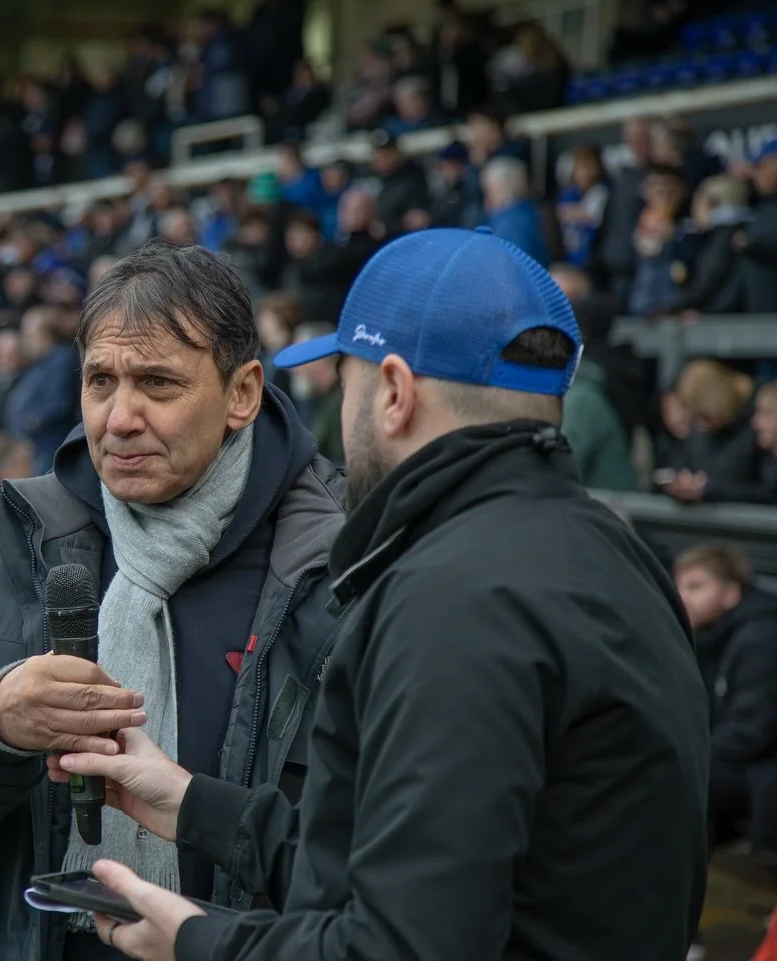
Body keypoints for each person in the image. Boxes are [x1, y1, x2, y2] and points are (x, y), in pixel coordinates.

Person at [53, 227, 710, 961]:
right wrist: (194, 805)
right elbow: (421, 865)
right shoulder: (621, 554)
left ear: (393, 392)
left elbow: (400, 945)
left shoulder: (453, 598)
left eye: (346, 381)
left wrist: (201, 941)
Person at [0, 240, 346, 961]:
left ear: (242, 393)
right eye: (100, 381)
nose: (119, 417)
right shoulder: (26, 540)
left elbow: (375, 862)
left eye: (157, 383)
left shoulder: (338, 564)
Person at [674, 544, 777, 858]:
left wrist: (692, 751)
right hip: (743, 764)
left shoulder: (761, 638)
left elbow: (752, 730)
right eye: (679, 586)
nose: (682, 597)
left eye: (695, 586)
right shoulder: (712, 635)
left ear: (731, 594)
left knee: (671, 774)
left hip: (761, 776)